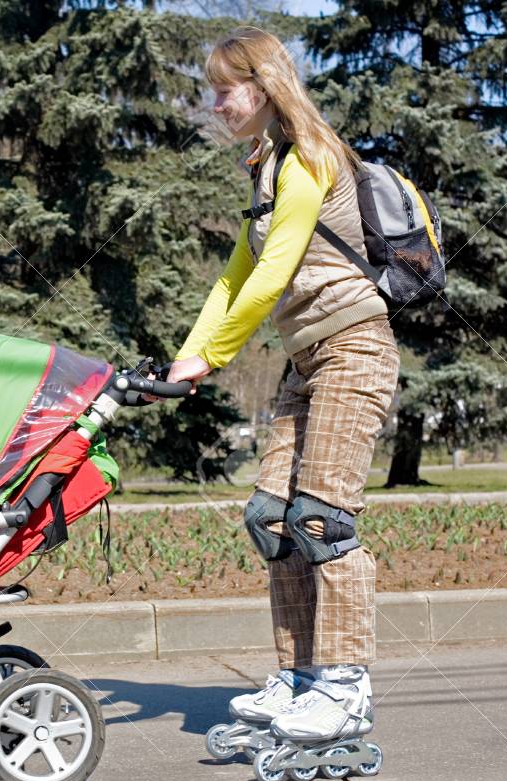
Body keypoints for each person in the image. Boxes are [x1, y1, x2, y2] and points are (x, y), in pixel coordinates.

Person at [168, 27, 399, 742]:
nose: (214, 104)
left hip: (355, 349)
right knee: (272, 516)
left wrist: (219, 355)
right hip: (307, 360)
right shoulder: (265, 169)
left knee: (324, 520)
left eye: (223, 89)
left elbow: (273, 276)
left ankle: (345, 687)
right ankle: (300, 679)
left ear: (264, 86)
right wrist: (186, 357)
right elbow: (235, 275)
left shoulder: (311, 158)